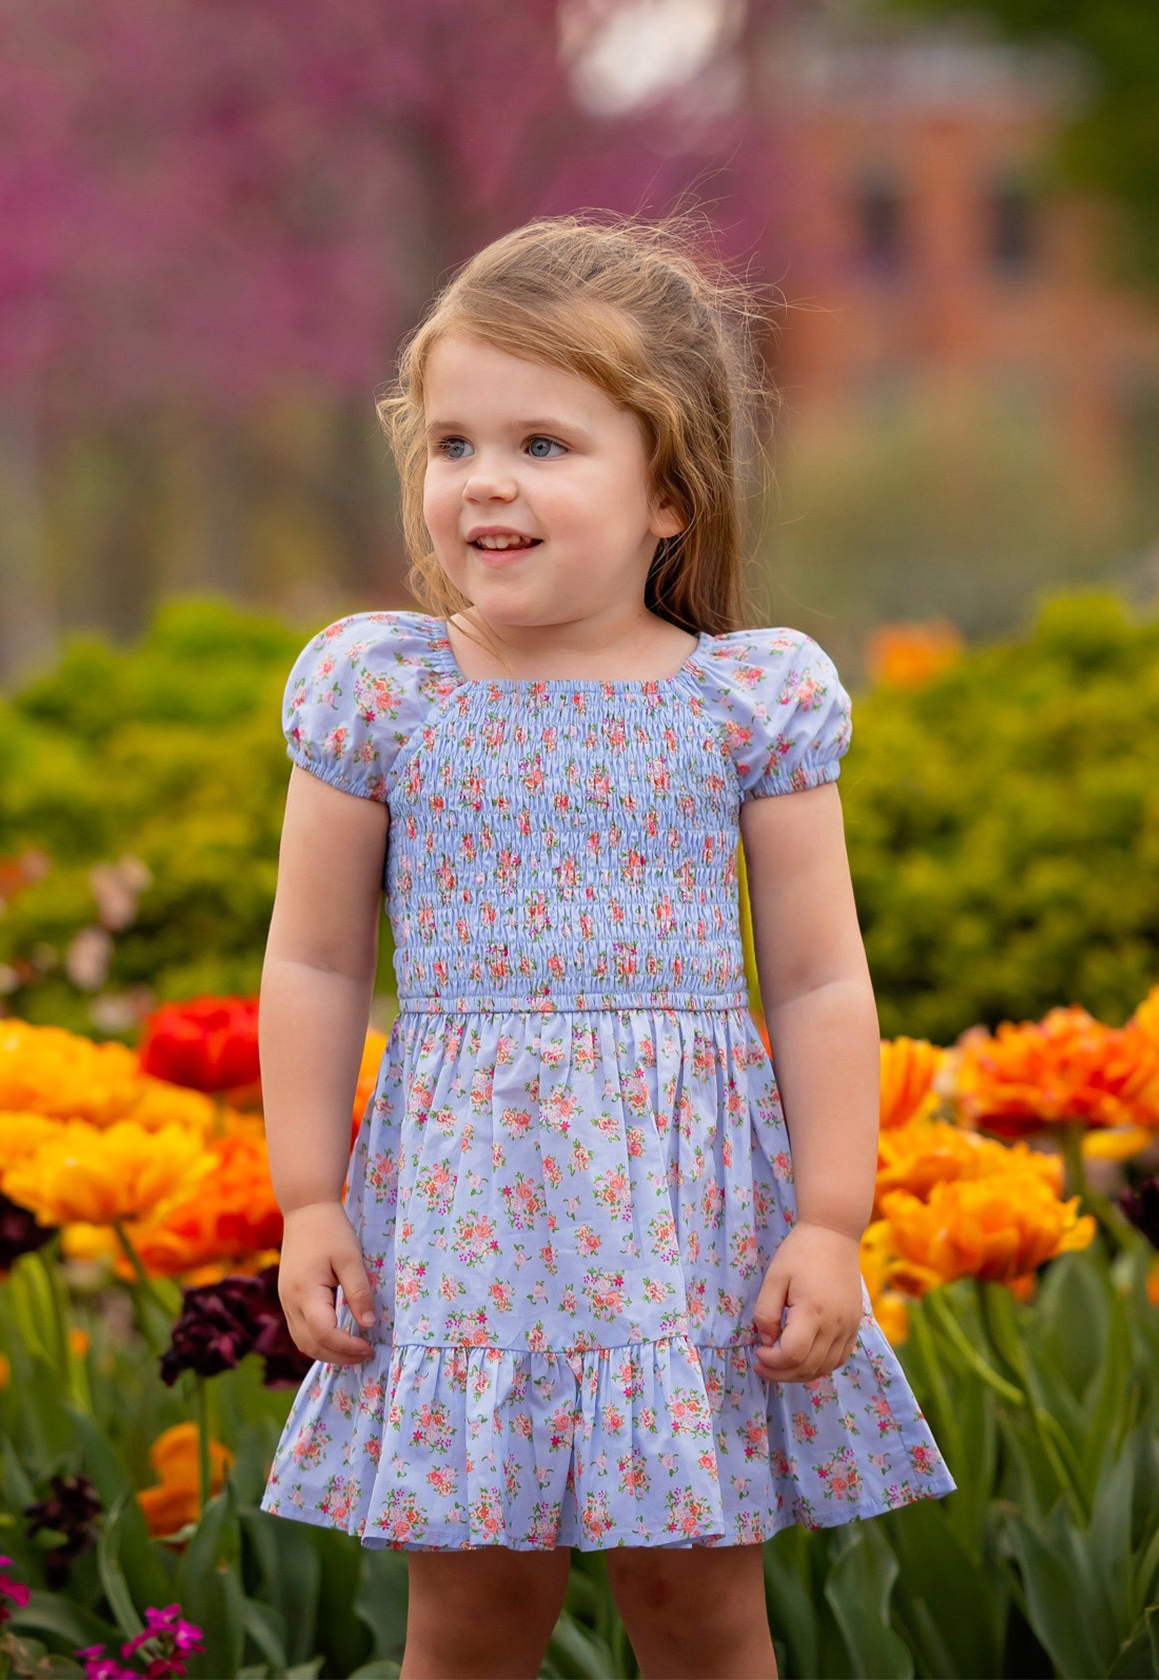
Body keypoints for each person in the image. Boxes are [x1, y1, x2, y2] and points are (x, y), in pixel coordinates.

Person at [257, 213, 956, 1680]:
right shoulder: (381, 697)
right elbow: (315, 963)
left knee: (700, 1609)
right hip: (466, 1230)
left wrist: (831, 1220)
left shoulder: (744, 705)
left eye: (544, 445)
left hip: (683, 1232)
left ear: (671, 494)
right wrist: (310, 1199)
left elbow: (821, 978)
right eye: (453, 444)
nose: (486, 482)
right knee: (470, 1618)